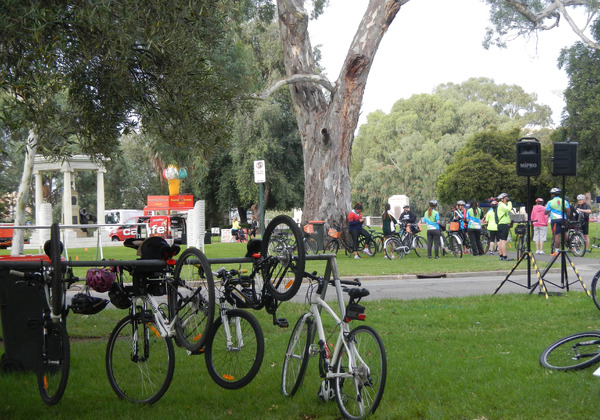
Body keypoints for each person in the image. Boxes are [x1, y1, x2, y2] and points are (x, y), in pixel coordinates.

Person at [545, 188, 570, 253]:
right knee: (565, 232)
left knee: (556, 235)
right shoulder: (564, 201)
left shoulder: (550, 202)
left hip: (555, 220)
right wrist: (567, 218)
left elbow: (545, 212)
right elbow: (568, 211)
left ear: (553, 195)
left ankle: (557, 250)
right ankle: (568, 246)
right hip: (563, 219)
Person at [496, 193, 513, 261]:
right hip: (504, 224)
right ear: (502, 199)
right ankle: (505, 256)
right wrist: (510, 202)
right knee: (503, 241)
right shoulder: (502, 205)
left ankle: (501, 255)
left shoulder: (499, 205)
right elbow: (509, 209)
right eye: (506, 199)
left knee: (500, 240)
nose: (507, 200)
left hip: (500, 224)